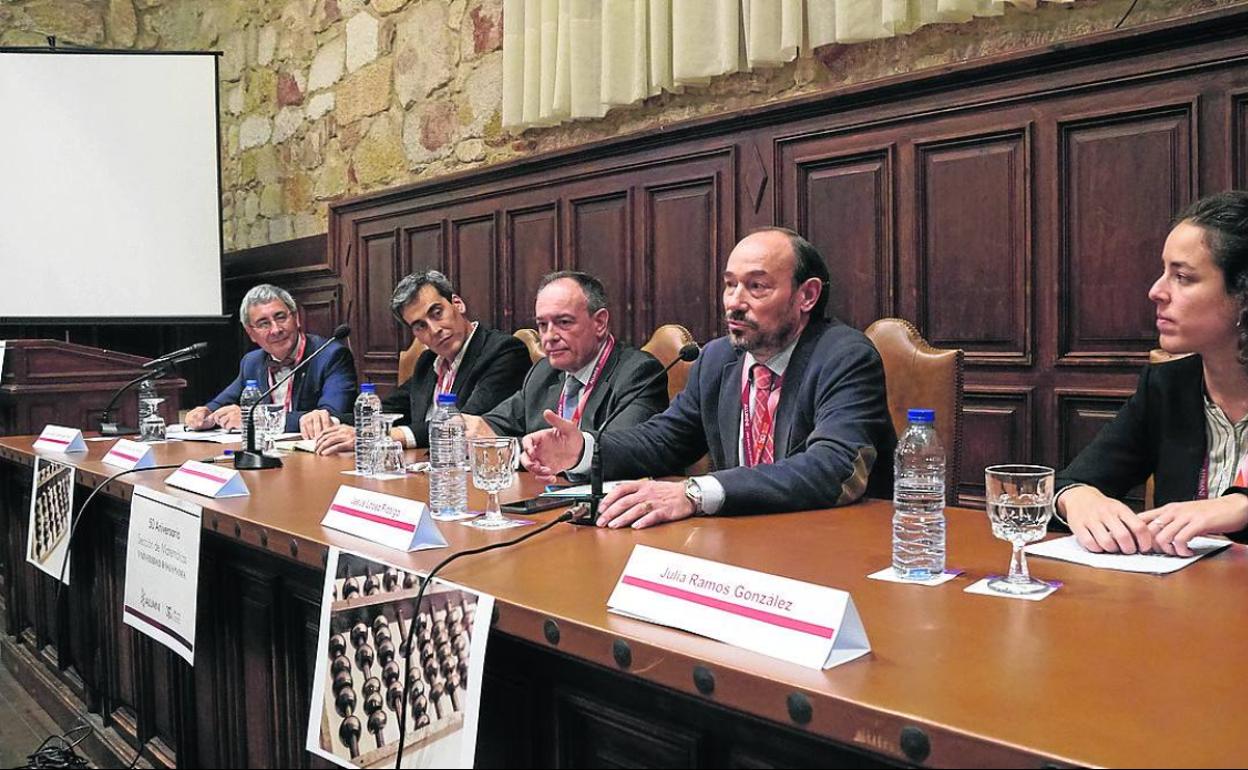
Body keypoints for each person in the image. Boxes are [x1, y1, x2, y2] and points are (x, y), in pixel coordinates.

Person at [521, 227, 895, 529]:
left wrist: (695, 492)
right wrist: (585, 449)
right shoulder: (718, 358)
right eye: (730, 284)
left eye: (757, 286)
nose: (734, 301)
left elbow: (833, 467)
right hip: (741, 538)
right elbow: (666, 439)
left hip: (831, 539)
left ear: (807, 296)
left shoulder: (844, 357)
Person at [1055, 191, 1248, 556]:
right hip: (1181, 605)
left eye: (1183, 277)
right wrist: (1079, 498)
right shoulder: (1166, 386)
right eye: (1164, 272)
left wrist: (1240, 506)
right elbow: (1073, 480)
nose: (1156, 291)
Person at [312, 270, 530, 453]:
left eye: (437, 313)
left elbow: (461, 425)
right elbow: (389, 410)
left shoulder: (504, 352)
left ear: (457, 303)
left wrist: (382, 436)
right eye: (420, 326)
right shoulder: (428, 362)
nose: (434, 330)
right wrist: (332, 421)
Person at [466, 271, 668, 440]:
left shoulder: (639, 374)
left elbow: (615, 452)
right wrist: (464, 426)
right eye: (542, 325)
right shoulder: (543, 372)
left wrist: (525, 449)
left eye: (563, 322)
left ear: (599, 323)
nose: (549, 336)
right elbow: (490, 426)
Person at [185, 284, 356, 434]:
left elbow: (331, 416)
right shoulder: (252, 362)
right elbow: (220, 403)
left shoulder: (331, 355)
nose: (275, 329)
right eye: (263, 323)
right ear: (250, 333)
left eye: (281, 317)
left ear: (296, 318)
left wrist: (255, 420)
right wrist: (204, 413)